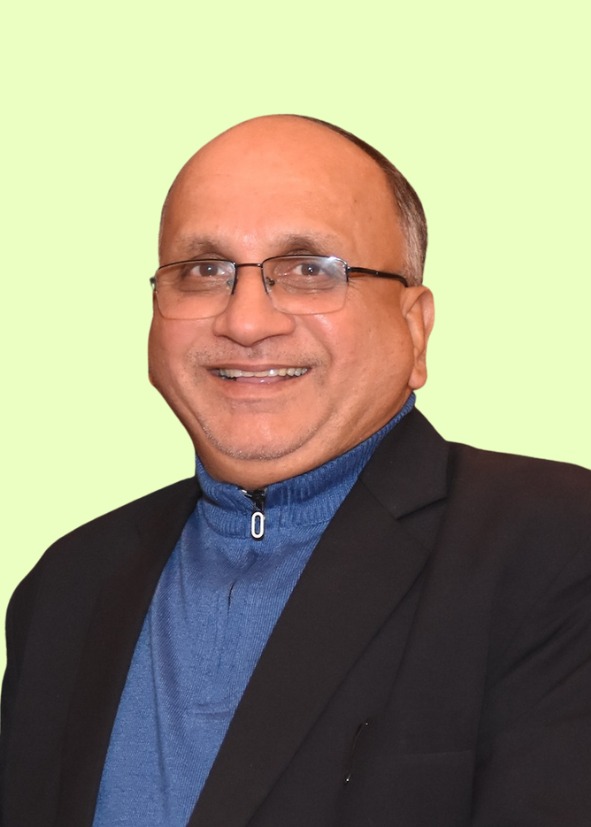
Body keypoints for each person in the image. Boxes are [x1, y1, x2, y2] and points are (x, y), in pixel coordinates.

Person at [1, 114, 591, 827]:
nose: (246, 321)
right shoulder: (66, 588)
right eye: (203, 271)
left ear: (414, 327)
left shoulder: (558, 545)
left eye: (311, 270)